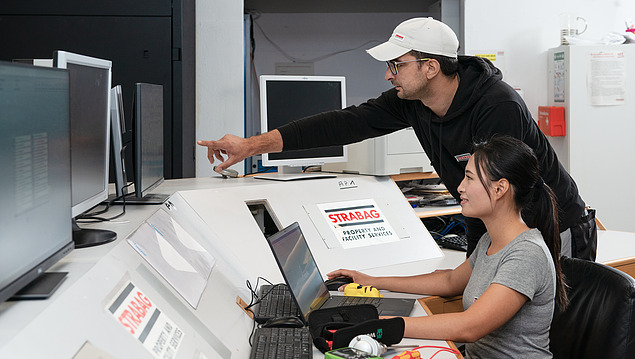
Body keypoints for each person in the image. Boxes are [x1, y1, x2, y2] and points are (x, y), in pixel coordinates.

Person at [197, 17, 597, 260]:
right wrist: (251, 145)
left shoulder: (496, 106)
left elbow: (506, 199)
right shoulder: (412, 103)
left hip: (550, 229)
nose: (389, 74)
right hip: (498, 231)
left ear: (429, 68)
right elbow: (341, 124)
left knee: (555, 337)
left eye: (397, 65)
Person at [328, 136, 568, 358]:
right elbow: (450, 281)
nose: (460, 187)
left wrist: (385, 325)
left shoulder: (527, 254)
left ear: (500, 188)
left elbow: (470, 326)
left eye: (470, 178)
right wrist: (371, 280)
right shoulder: (491, 240)